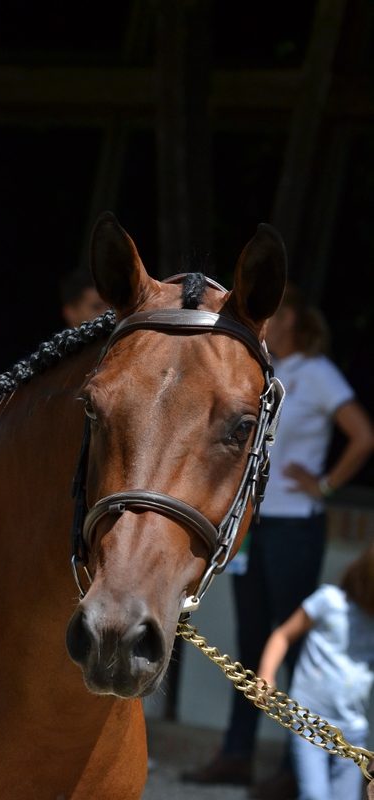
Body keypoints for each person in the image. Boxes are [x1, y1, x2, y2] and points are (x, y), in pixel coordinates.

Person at [181, 282, 374, 796]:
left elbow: (363, 434)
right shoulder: (267, 367)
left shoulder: (318, 372)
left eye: (280, 310)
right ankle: (237, 754)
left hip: (296, 527)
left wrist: (327, 485)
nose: (271, 316)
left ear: (296, 320)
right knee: (247, 642)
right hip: (256, 525)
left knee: (294, 647)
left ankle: (299, 763)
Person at [257, 542, 374, 800]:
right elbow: (283, 635)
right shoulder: (329, 601)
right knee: (315, 795)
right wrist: (267, 673)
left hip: (353, 729)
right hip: (309, 721)